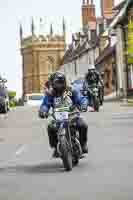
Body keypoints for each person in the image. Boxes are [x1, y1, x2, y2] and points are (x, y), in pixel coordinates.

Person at [39, 72, 88, 157]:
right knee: (51, 127)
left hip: (72, 115)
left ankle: (83, 144)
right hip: (58, 117)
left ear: (63, 82)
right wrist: (43, 111)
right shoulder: (50, 94)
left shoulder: (71, 90)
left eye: (59, 83)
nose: (57, 85)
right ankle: (55, 147)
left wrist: (83, 104)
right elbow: (45, 104)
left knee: (83, 125)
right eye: (55, 83)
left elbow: (81, 98)